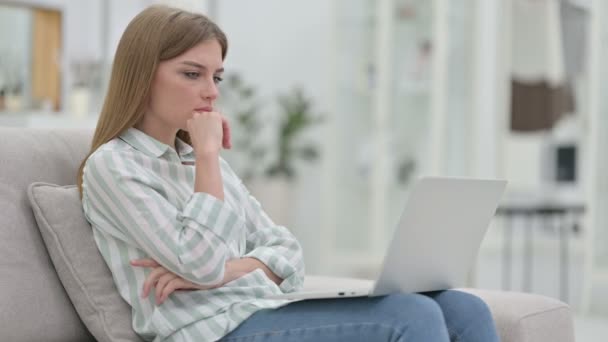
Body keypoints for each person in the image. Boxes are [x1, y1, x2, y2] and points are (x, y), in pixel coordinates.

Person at [78, 5, 500, 342]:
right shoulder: (115, 166)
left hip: (262, 310)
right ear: (142, 76)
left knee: (466, 309)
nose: (212, 91)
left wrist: (230, 270)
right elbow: (201, 264)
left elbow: (288, 251)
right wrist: (207, 156)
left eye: (217, 76)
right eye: (192, 74)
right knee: (411, 314)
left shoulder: (199, 163)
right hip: (209, 332)